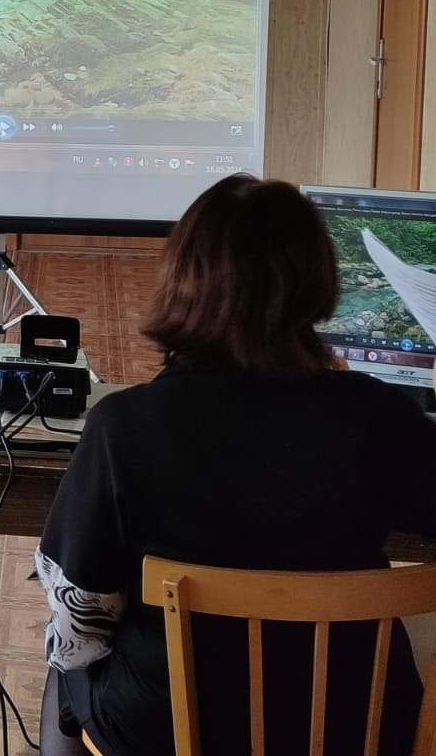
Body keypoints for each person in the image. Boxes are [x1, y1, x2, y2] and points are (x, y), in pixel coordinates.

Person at [36, 175, 436, 756]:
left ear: (181, 279)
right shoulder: (379, 415)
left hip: (168, 729)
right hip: (357, 723)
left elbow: (80, 620)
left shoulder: (123, 426)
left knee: (61, 666)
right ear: (317, 280)